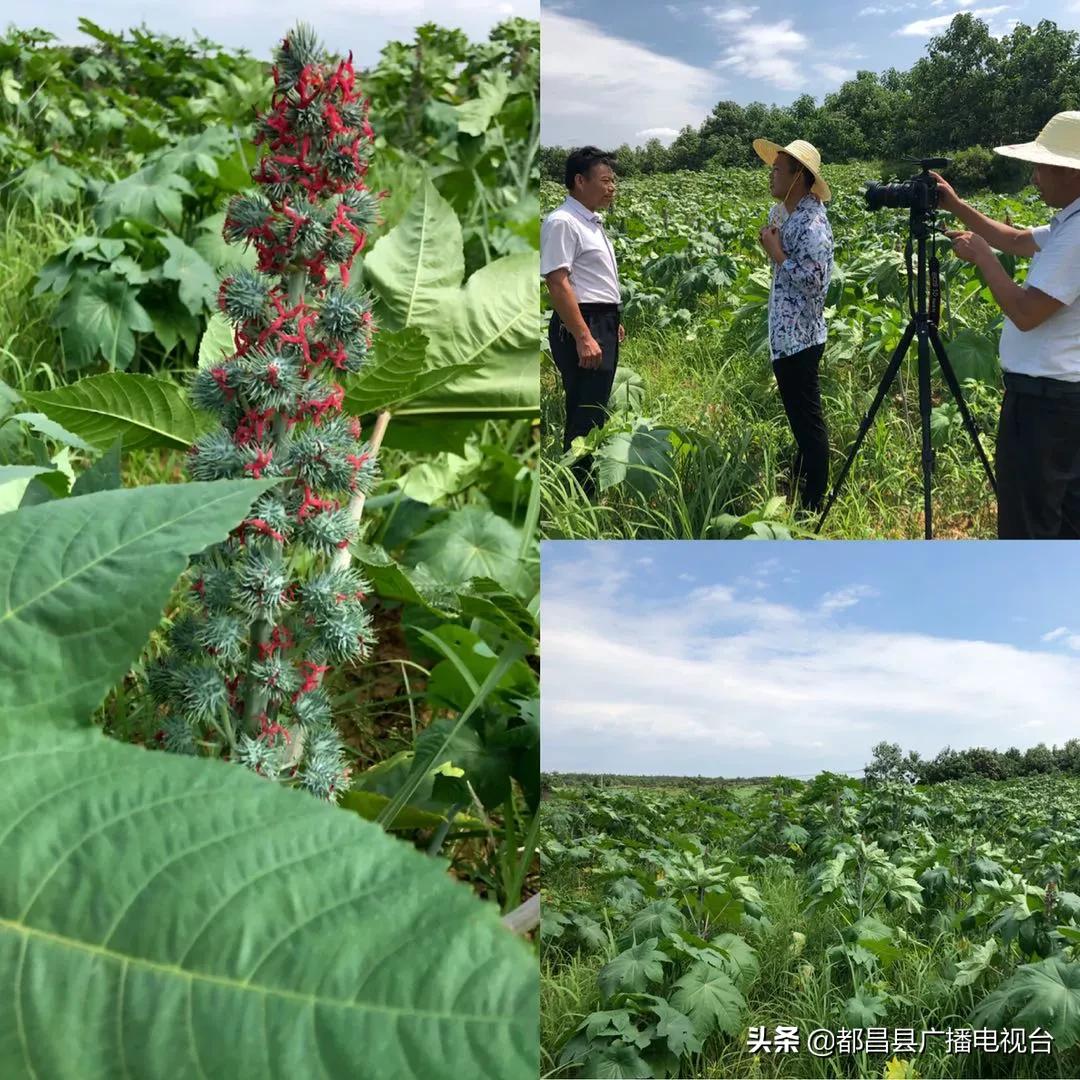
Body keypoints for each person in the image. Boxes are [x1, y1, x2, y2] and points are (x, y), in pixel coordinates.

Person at [936, 111, 1080, 539]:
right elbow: (1015, 240)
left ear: (1071, 171)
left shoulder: (1077, 235)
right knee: (1065, 520)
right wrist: (957, 206)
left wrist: (982, 257)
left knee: (1028, 526)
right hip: (1058, 403)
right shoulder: (1068, 223)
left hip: (1047, 409)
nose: (1034, 178)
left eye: (1040, 166)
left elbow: (1026, 312)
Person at [752, 137, 834, 513]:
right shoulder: (786, 213)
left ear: (799, 176)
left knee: (809, 422)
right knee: (799, 418)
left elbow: (815, 281)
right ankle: (802, 478)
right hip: (786, 337)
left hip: (801, 339)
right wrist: (772, 242)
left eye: (778, 170)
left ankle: (815, 503)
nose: (771, 175)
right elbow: (775, 238)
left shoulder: (813, 223)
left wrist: (777, 254)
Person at [541, 146, 625, 498]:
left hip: (598, 321)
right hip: (584, 324)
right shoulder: (563, 221)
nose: (612, 188)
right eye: (604, 180)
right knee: (586, 414)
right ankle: (579, 493)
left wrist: (611, 321)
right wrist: (584, 335)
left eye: (613, 181)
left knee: (594, 407)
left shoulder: (589, 220)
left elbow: (589, 280)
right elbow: (557, 282)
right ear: (579, 181)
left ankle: (582, 487)